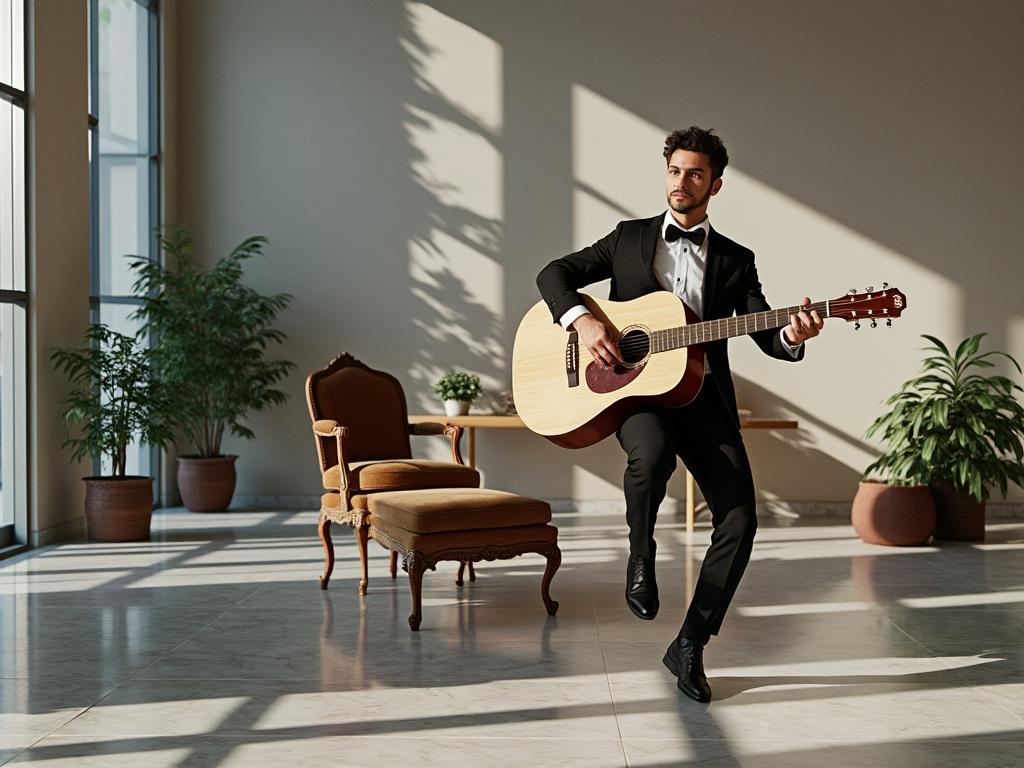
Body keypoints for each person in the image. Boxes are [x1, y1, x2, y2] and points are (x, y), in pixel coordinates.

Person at [535, 126, 823, 702]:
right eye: (674, 171)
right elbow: (554, 275)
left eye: (694, 174)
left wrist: (792, 335)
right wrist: (582, 321)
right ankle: (641, 555)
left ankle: (691, 642)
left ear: (716, 185)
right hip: (637, 395)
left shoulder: (738, 262)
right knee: (652, 453)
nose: (680, 182)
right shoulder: (628, 239)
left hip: (702, 397)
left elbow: (765, 332)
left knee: (741, 518)